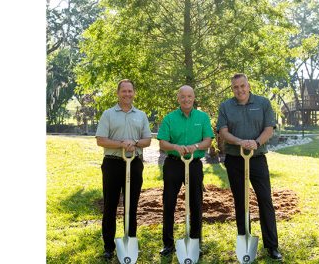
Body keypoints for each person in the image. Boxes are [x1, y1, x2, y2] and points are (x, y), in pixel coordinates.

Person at [216, 73, 282, 260]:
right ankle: (245, 243)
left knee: (265, 200)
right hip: (235, 159)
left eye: (242, 86)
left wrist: (256, 143)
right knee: (241, 201)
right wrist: (240, 142)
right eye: (236, 87)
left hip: (257, 159)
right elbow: (223, 131)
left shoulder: (262, 103)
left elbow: (269, 128)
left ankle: (272, 246)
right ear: (232, 89)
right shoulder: (226, 106)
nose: (240, 90)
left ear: (248, 85)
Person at [95, 79, 152, 260]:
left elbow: (147, 140)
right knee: (110, 206)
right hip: (112, 163)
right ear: (118, 93)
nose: (127, 94)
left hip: (134, 163)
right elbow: (100, 140)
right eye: (124, 91)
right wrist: (122, 144)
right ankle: (108, 247)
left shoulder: (141, 115)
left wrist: (134, 143)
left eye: (130, 91)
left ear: (134, 93)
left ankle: (130, 243)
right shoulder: (108, 114)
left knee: (131, 206)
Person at [157, 85, 214, 257]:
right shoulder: (169, 118)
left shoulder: (202, 117)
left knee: (196, 203)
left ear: (194, 97)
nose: (186, 99)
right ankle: (168, 244)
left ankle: (195, 242)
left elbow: (208, 140)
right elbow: (162, 142)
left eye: (189, 96)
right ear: (178, 98)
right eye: (183, 96)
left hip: (194, 164)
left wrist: (194, 146)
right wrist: (175, 146)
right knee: (169, 203)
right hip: (174, 164)